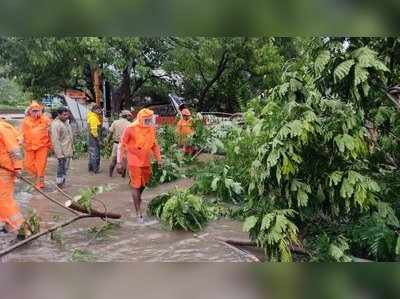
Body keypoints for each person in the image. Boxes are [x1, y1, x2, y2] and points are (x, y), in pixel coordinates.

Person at [117, 108, 162, 223]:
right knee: (136, 186)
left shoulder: (151, 129)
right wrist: (119, 161)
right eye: (146, 120)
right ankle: (138, 214)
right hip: (134, 161)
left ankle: (137, 197)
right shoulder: (130, 128)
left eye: (150, 119)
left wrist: (159, 159)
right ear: (140, 118)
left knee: (144, 184)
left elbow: (154, 145)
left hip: (146, 161)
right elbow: (122, 145)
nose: (148, 121)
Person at [0, 117, 25, 233]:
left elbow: (14, 150)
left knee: (3, 199)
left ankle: (20, 227)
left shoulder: (2, 129)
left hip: (5, 170)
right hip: (3, 168)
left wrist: (18, 167)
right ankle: (9, 225)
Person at [20, 101, 52, 189]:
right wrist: (19, 140)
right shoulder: (25, 121)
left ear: (40, 111)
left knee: (41, 166)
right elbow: (21, 133)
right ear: (29, 111)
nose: (35, 112)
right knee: (27, 165)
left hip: (42, 146)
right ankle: (38, 177)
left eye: (37, 111)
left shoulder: (45, 119)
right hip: (29, 147)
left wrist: (51, 145)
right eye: (33, 111)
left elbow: (51, 131)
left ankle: (40, 183)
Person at [51, 107, 74, 188]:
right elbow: (55, 140)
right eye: (64, 115)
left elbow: (70, 137)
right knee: (61, 169)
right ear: (59, 115)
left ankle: (62, 183)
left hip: (68, 150)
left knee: (65, 168)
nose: (66, 116)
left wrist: (72, 150)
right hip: (62, 151)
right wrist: (59, 154)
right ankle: (59, 184)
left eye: (67, 114)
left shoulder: (67, 123)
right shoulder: (56, 124)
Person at [107, 110, 133, 177]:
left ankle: (110, 175)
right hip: (125, 145)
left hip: (116, 144)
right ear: (127, 116)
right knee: (124, 161)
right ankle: (123, 177)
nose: (130, 117)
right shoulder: (129, 124)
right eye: (129, 116)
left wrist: (108, 141)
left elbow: (110, 134)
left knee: (113, 160)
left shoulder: (115, 122)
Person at [87, 104, 103, 174]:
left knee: (92, 152)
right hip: (93, 138)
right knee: (95, 153)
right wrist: (98, 140)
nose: (100, 111)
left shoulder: (93, 116)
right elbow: (94, 131)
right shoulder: (93, 117)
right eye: (98, 109)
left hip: (92, 137)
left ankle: (91, 168)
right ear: (93, 110)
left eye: (100, 109)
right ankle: (95, 169)